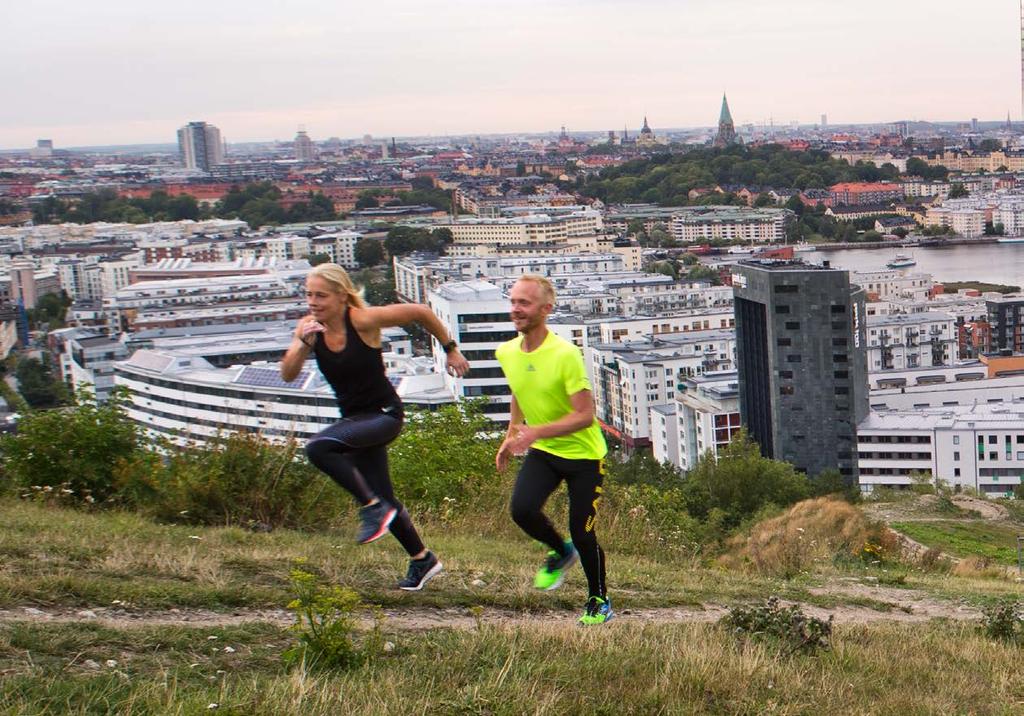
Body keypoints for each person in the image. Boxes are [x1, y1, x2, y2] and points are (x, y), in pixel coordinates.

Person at [280, 263, 469, 591]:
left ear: (341, 296)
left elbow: (421, 312)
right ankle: (423, 559)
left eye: (321, 295)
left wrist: (450, 350)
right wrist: (301, 342)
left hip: (384, 415)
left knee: (319, 447)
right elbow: (288, 374)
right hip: (355, 420)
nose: (313, 302)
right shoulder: (309, 328)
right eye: (309, 295)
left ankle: (371, 508)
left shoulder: (363, 321)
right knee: (386, 496)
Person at [495, 275, 612, 625]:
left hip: (584, 457)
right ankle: (560, 553)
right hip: (544, 451)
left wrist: (535, 432)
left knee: (582, 529)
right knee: (522, 510)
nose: (516, 309)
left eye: (524, 303)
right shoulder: (507, 352)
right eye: (514, 301)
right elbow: (520, 391)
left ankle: (599, 599)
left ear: (546, 310)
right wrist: (511, 434)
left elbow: (585, 415)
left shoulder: (565, 354)